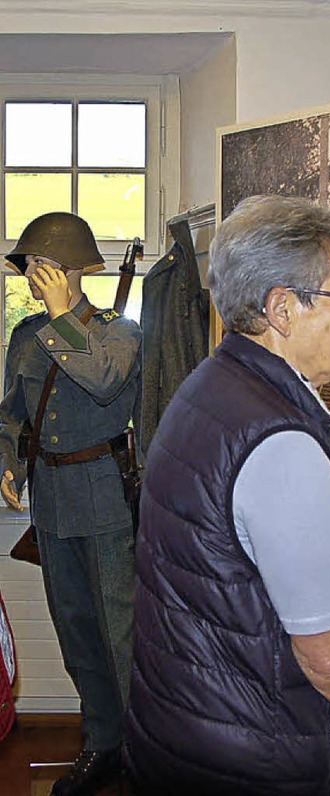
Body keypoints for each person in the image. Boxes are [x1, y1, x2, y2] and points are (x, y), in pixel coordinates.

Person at [124, 195, 330, 795]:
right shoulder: (282, 445)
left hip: (189, 736)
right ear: (284, 308)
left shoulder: (209, 386)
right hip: (259, 759)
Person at [0, 212, 141, 796]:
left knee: (122, 635)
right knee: (77, 633)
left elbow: (105, 380)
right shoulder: (25, 336)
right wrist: (8, 461)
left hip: (106, 499)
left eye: (41, 267)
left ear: (70, 268)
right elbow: (10, 413)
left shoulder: (118, 332)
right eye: (28, 267)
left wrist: (62, 316)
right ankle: (102, 742)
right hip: (52, 503)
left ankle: (142, 752)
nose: (32, 277)